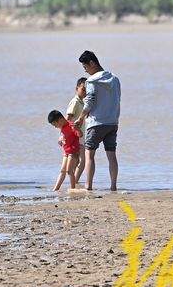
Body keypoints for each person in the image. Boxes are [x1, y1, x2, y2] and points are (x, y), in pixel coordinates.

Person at [77, 50, 121, 191]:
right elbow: (117, 99)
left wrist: (81, 117)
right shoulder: (114, 78)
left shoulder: (91, 81)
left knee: (89, 154)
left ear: (92, 63)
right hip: (112, 122)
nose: (86, 70)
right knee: (111, 155)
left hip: (96, 123)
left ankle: (88, 186)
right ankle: (113, 186)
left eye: (85, 67)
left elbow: (89, 102)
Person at [47, 110, 80, 191]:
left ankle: (73, 188)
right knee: (62, 171)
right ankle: (56, 188)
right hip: (66, 152)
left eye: (55, 124)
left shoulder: (72, 125)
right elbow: (63, 135)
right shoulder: (62, 127)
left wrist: (77, 129)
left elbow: (80, 135)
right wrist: (60, 140)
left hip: (73, 152)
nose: (55, 127)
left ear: (60, 119)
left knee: (69, 171)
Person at [65, 76, 88, 184]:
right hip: (76, 136)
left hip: (80, 136)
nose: (85, 92)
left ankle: (73, 182)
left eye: (87, 90)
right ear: (77, 88)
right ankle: (75, 182)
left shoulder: (82, 102)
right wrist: (64, 134)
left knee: (78, 160)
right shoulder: (75, 102)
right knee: (82, 161)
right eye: (83, 89)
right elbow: (67, 119)